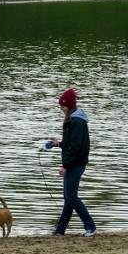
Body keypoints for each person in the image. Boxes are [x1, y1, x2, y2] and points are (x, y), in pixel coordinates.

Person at [48, 88, 97, 237]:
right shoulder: (73, 121)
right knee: (68, 197)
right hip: (74, 163)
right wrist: (58, 144)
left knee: (71, 196)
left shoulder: (76, 122)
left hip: (75, 165)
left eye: (62, 106)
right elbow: (71, 143)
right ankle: (60, 229)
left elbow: (75, 148)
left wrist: (65, 166)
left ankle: (90, 226)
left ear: (69, 106)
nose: (61, 109)